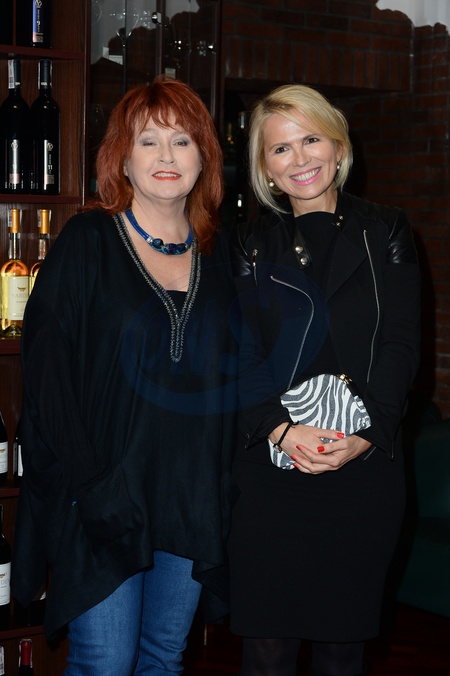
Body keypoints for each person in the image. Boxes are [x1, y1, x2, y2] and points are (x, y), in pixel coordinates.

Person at [12, 75, 240, 675]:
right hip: (107, 494)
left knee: (164, 658)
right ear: (122, 157)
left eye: (182, 141)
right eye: (148, 141)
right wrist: (91, 484)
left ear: (204, 158)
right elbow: (47, 374)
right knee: (106, 661)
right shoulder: (86, 240)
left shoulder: (222, 254)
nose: (167, 156)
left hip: (191, 497)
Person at [228, 83, 421, 676]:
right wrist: (281, 431)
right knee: (265, 648)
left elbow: (401, 344)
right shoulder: (249, 244)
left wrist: (366, 435)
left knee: (342, 649)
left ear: (338, 146)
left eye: (311, 139)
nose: (300, 159)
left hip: (363, 469)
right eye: (280, 149)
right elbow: (239, 354)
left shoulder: (386, 229)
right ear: (265, 168)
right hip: (271, 471)